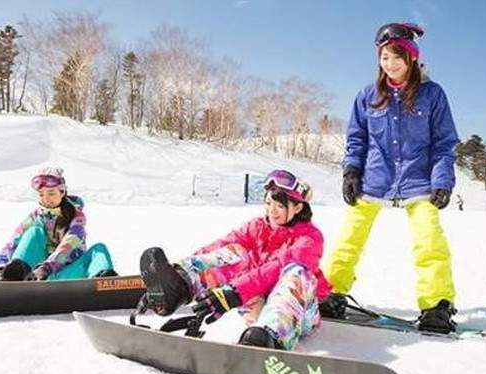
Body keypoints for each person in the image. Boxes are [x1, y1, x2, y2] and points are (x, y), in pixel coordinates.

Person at [320, 22, 459, 334]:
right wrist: (351, 171)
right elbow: (356, 139)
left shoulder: (432, 94)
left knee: (429, 242)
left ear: (411, 57)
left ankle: (436, 305)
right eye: (384, 57)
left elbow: (444, 143)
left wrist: (442, 180)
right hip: (375, 179)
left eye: (397, 57)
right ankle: (331, 293)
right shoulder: (367, 96)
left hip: (418, 181)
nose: (390, 64)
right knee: (349, 238)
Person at [139, 169, 331, 350]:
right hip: (257, 303)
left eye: (280, 206)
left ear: (297, 207)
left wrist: (235, 293)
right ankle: (180, 287)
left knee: (296, 270)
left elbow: (277, 267)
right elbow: (221, 246)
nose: (272, 211)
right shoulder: (257, 227)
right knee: (235, 252)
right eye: (268, 203)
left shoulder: (310, 238)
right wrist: (180, 271)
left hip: (297, 313)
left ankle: (270, 337)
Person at [0, 167, 117, 282]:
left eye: (51, 193)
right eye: (41, 194)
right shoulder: (35, 217)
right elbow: (13, 243)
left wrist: (46, 268)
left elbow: (69, 244)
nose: (46, 199)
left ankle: (104, 282)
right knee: (34, 232)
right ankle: (16, 275)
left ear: (62, 192)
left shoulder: (76, 217)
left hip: (67, 273)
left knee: (99, 248)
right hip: (36, 277)